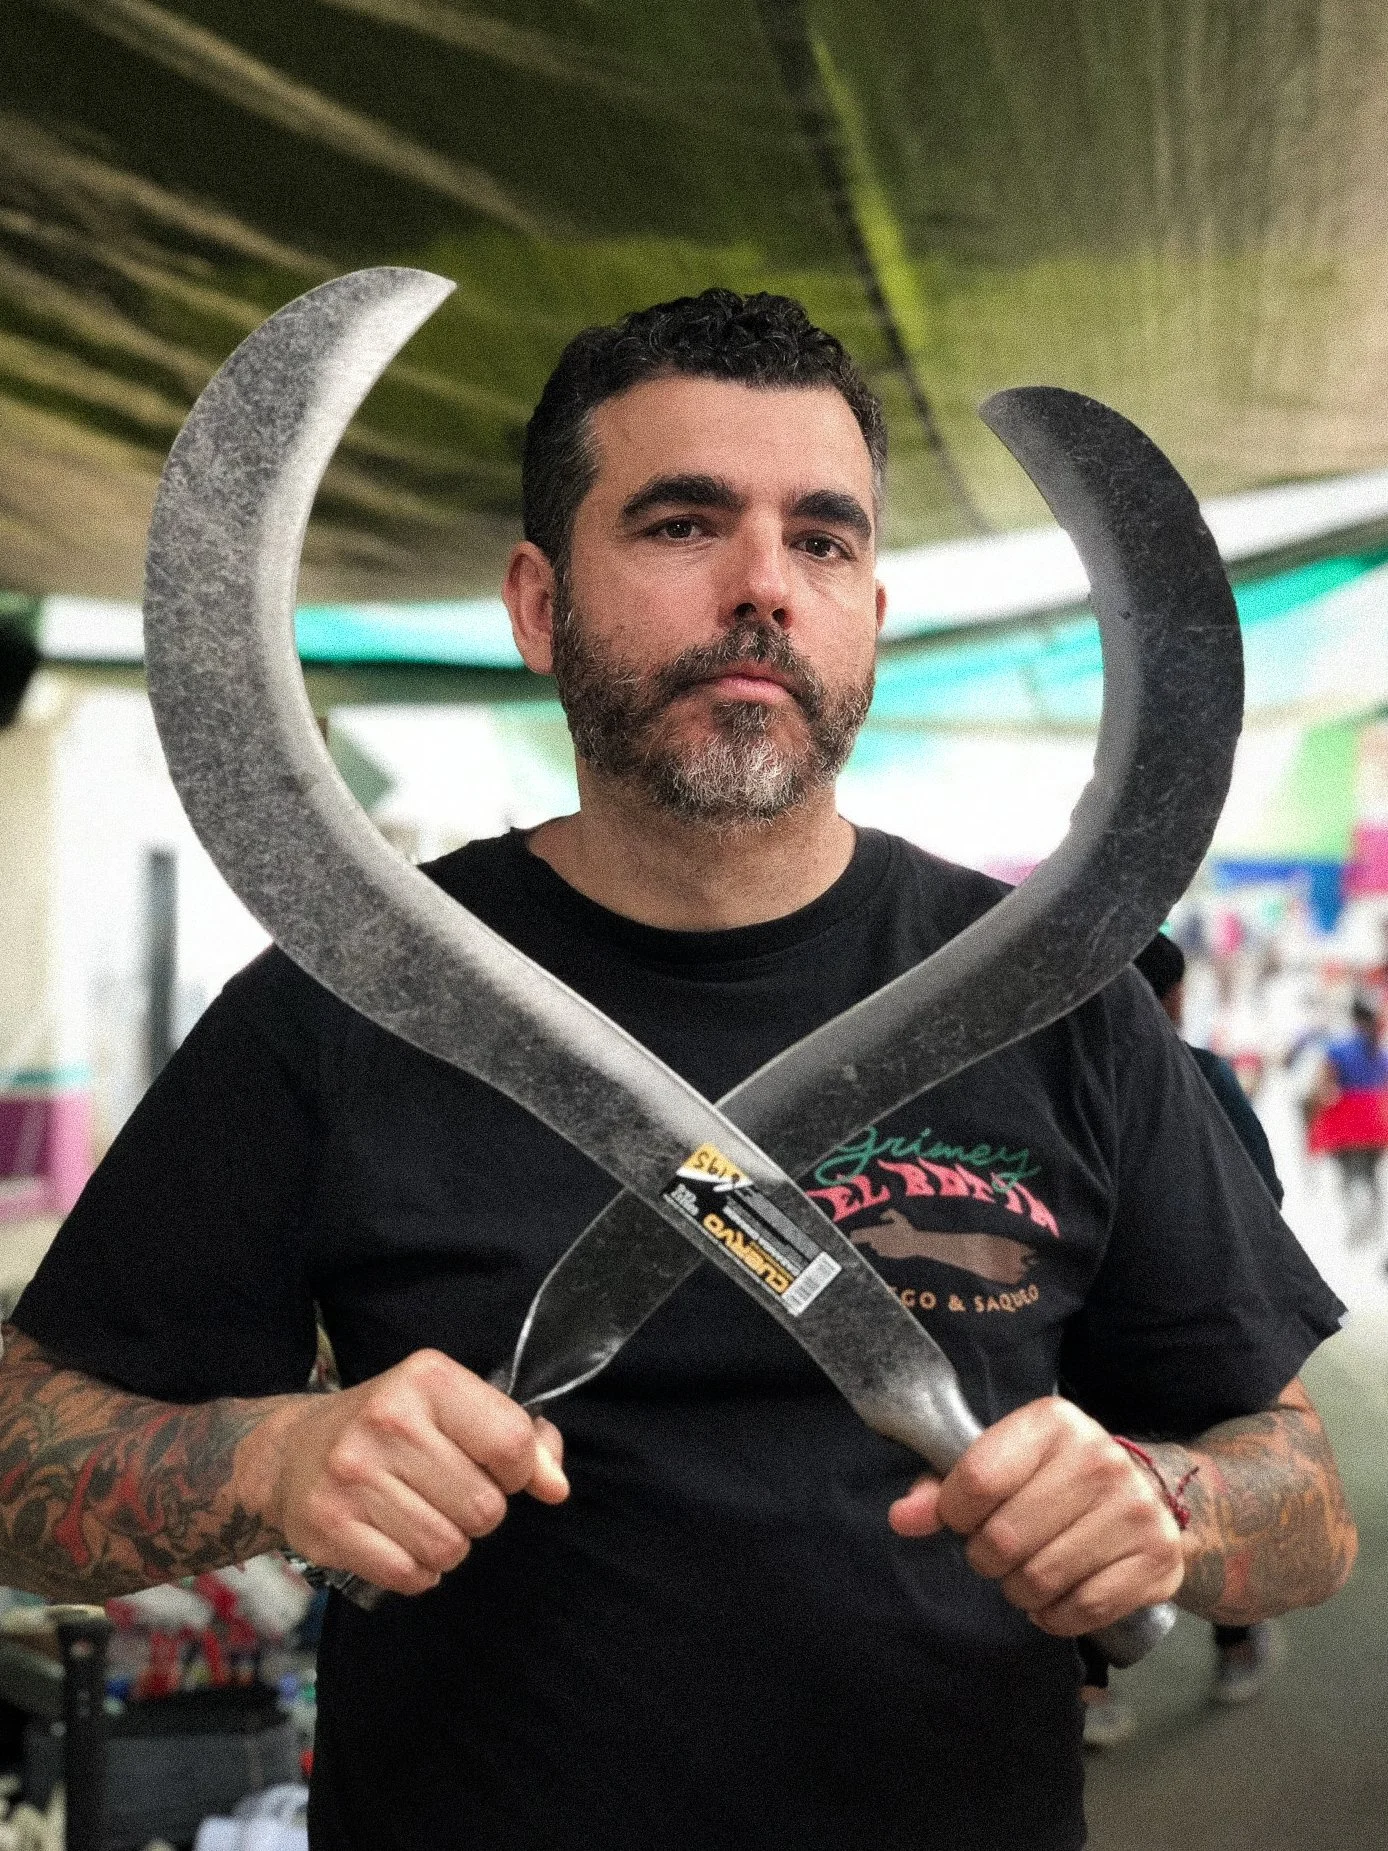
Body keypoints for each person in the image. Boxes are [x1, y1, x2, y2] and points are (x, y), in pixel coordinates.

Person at [0, 291, 1355, 1851]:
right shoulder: (339, 998)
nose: (765, 584)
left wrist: (1165, 1509)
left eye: (825, 538)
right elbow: (27, 1463)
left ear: (872, 612)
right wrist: (271, 1456)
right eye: (682, 521)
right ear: (535, 601)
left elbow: (1306, 1500)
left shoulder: (1064, 1002)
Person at [1081, 932, 1288, 1747]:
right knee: (1178, 1490)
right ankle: (1215, 1646)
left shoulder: (1084, 1082)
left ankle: (1104, 1683)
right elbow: (1262, 1190)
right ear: (1169, 997)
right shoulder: (1198, 1073)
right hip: (1171, 1326)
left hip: (1141, 1332)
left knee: (1113, 1494)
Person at [1308, 995, 1388, 1248]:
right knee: (1371, 1175)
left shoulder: (1337, 1048)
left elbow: (1323, 1085)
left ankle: (1357, 1227)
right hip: (1375, 1122)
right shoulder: (1381, 1052)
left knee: (1349, 1177)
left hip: (1346, 1122)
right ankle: (1376, 1226)